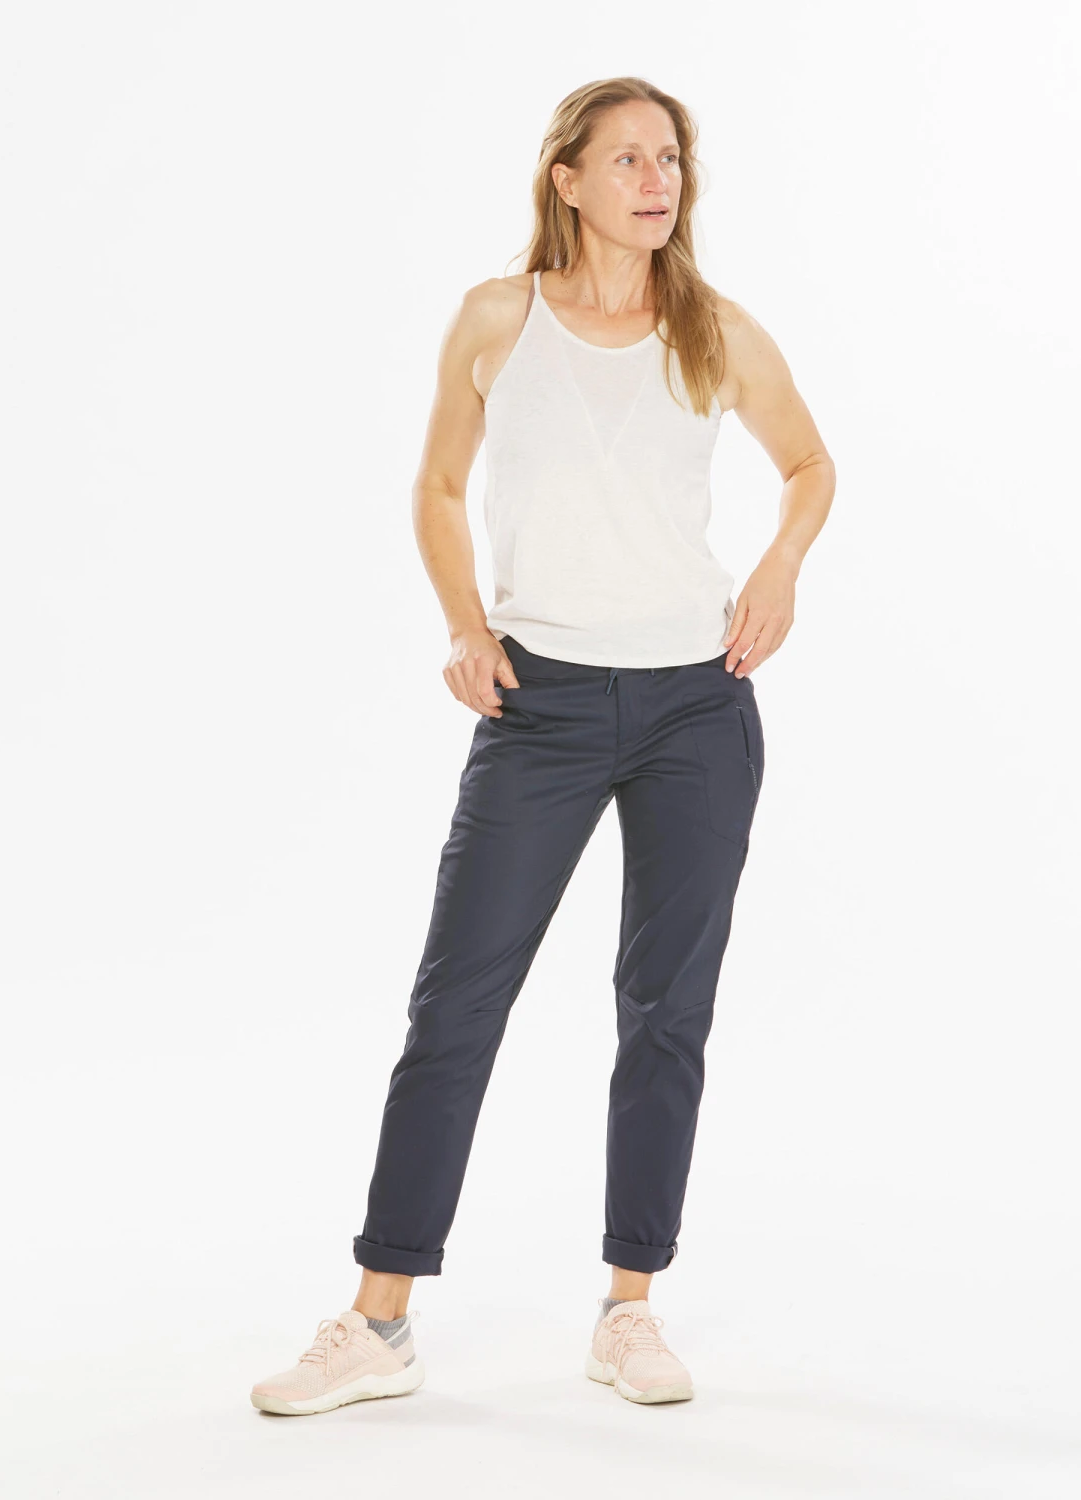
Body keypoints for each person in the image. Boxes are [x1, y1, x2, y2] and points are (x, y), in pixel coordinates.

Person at [250, 77, 833, 1416]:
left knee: (666, 1010)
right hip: (543, 705)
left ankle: (630, 1309)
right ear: (565, 178)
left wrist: (779, 569)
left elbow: (811, 465)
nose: (656, 179)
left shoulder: (716, 330)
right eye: (626, 158)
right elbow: (437, 484)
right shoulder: (497, 320)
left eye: (670, 158)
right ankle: (379, 1323)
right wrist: (465, 626)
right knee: (457, 1003)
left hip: (697, 704)